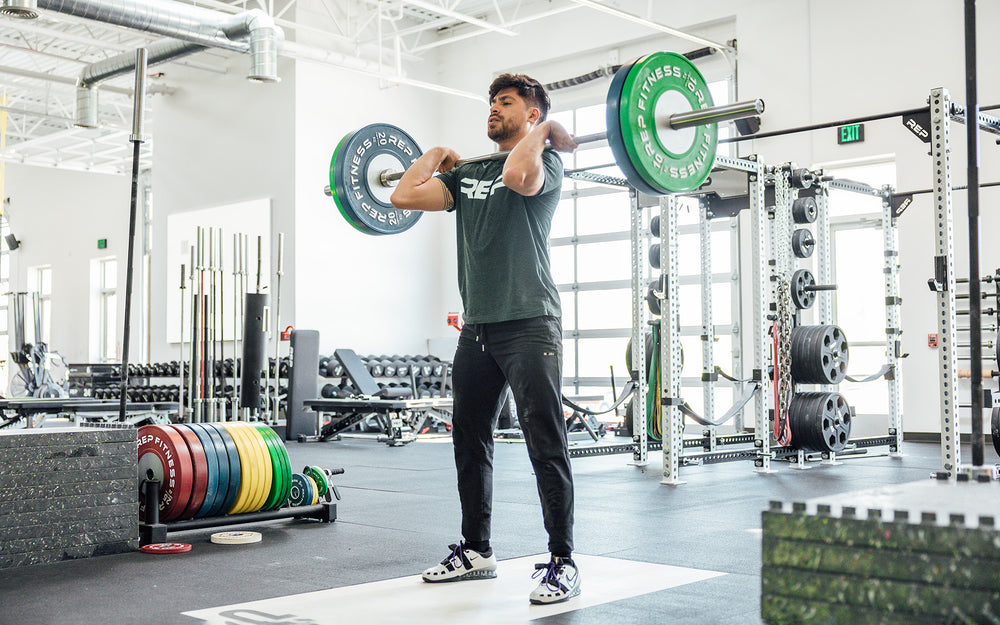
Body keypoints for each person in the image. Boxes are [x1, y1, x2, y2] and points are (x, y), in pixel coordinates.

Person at [390, 73, 580, 605]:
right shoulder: (468, 175)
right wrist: (435, 153)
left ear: (533, 113)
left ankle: (562, 560)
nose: (493, 109)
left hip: (529, 323)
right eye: (491, 102)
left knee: (545, 441)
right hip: (477, 329)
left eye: (506, 102)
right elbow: (404, 194)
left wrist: (543, 136)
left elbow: (519, 176)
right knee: (469, 439)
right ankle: (477, 550)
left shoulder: (544, 163)